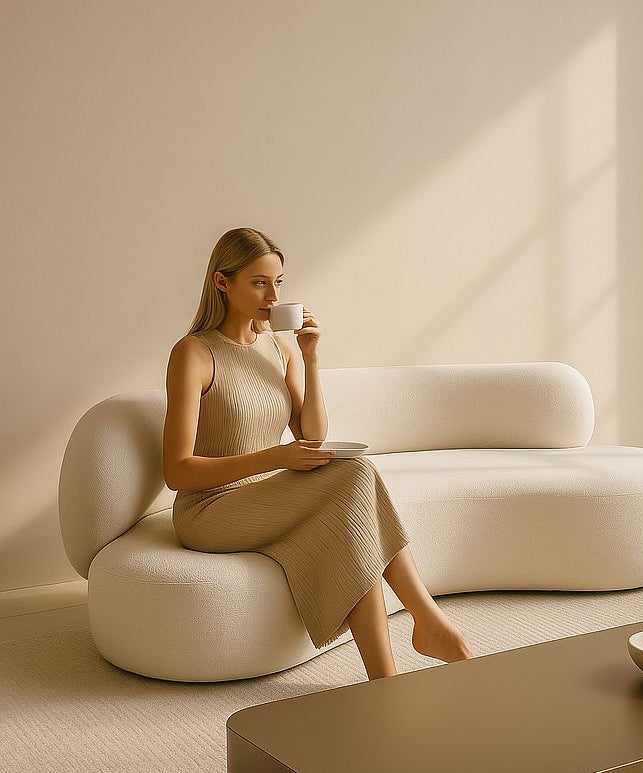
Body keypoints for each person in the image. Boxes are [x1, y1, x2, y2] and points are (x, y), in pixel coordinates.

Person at [162, 226, 474, 680]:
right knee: (353, 478)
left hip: (267, 497)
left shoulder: (279, 348)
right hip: (210, 509)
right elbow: (178, 472)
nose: (272, 295)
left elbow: (311, 435)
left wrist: (310, 357)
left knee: (350, 519)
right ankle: (427, 619)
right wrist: (276, 458)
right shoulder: (193, 353)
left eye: (279, 283)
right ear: (221, 283)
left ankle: (383, 680)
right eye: (259, 282)